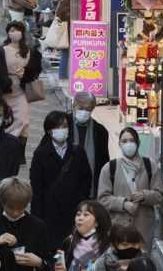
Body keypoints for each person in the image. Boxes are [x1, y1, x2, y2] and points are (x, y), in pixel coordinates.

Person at [30, 111, 94, 252]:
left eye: (64, 126)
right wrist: (38, 216)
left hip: (73, 211)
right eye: (57, 126)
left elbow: (86, 178)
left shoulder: (77, 152)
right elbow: (36, 185)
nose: (62, 129)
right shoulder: (41, 154)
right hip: (49, 213)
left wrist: (81, 200)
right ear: (49, 131)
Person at [97, 127, 163, 248]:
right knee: (120, 264)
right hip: (118, 229)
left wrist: (145, 195)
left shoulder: (150, 166)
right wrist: (123, 204)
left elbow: (160, 195)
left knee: (140, 264)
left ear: (138, 143)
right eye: (124, 141)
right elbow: (102, 199)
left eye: (132, 140)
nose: (128, 144)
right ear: (119, 144)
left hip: (143, 230)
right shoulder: (109, 168)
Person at [0, 21, 43, 152]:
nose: (14, 33)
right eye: (11, 30)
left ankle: (19, 151)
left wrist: (25, 75)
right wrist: (5, 80)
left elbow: (35, 71)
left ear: (22, 32)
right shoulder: (1, 50)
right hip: (5, 91)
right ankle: (4, 145)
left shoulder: (29, 51)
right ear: (8, 33)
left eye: (17, 30)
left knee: (24, 120)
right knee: (5, 119)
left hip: (21, 92)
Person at [0, 177, 48, 271]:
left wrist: (39, 263)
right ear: (2, 202)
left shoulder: (38, 226)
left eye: (21, 208)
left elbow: (49, 262)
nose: (15, 212)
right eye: (11, 208)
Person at [70, 91, 112, 197]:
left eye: (88, 109)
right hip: (64, 187)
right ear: (74, 106)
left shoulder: (100, 131)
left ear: (93, 109)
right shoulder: (62, 123)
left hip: (89, 187)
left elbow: (103, 162)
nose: (84, 111)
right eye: (81, 108)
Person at [53, 200, 112, 271]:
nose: (80, 218)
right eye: (78, 214)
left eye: (86, 215)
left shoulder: (107, 243)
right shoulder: (69, 241)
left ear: (97, 222)